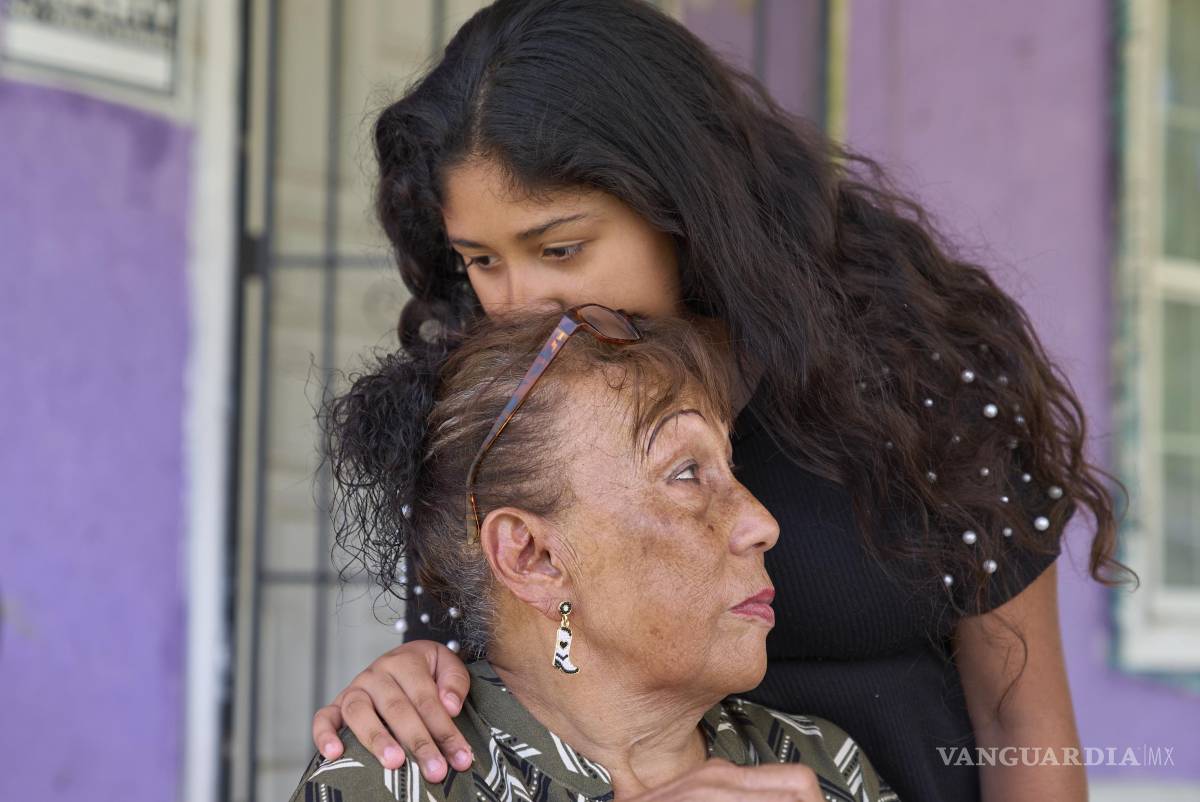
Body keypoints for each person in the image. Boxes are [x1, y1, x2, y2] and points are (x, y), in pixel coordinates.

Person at [310, 1, 1133, 800]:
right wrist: (418, 679)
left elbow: (1019, 712)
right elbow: (495, 668)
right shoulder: (491, 401)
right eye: (482, 261)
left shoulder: (918, 366)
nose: (523, 303)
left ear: (679, 205)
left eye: (561, 248)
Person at [294, 306, 897, 802]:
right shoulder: (400, 775)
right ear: (534, 558)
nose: (760, 523)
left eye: (729, 468)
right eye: (686, 473)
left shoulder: (820, 767)